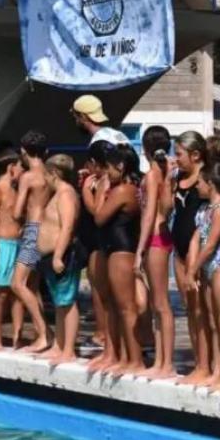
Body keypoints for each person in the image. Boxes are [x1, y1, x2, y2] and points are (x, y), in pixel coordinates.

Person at [85, 144, 143, 376]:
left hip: (122, 250)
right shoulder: (121, 188)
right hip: (113, 249)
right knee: (113, 306)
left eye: (108, 168)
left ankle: (134, 359)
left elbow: (99, 217)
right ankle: (117, 354)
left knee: (126, 307)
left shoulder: (123, 190)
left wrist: (98, 191)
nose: (106, 174)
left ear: (120, 166)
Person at [187, 162, 220, 393]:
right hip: (207, 268)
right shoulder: (205, 209)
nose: (196, 185)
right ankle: (218, 370)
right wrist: (195, 266)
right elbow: (197, 239)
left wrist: (192, 269)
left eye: (199, 182)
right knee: (214, 322)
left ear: (210, 184)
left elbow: (212, 244)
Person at [135, 127, 177, 379]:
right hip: (161, 237)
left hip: (155, 239)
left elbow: (149, 214)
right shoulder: (164, 172)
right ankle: (161, 360)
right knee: (158, 303)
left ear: (145, 148)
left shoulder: (153, 175)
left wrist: (139, 250)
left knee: (161, 304)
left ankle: (167, 362)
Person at [170, 132, 209, 385]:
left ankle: (208, 365)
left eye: (179, 154)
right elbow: (166, 208)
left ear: (195, 154)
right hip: (180, 251)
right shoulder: (178, 178)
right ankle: (199, 363)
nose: (176, 158)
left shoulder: (207, 179)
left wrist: (195, 261)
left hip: (200, 252)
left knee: (202, 310)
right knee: (190, 310)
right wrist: (166, 179)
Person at [37, 154, 84, 366]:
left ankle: (69, 350)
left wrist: (57, 255)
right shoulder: (59, 193)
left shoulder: (66, 194)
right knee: (59, 302)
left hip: (63, 254)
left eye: (46, 175)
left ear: (54, 173)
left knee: (67, 301)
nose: (44, 180)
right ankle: (59, 344)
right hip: (50, 255)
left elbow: (67, 226)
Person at [11, 130, 53, 353]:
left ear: (24, 152)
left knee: (17, 284)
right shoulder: (50, 174)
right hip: (46, 230)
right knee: (32, 287)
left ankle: (44, 334)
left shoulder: (27, 177)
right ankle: (45, 333)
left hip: (32, 232)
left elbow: (18, 212)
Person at [0, 148, 27, 350]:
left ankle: (18, 337)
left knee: (18, 293)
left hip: (18, 244)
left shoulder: (18, 190)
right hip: (3, 246)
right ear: (11, 168)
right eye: (20, 166)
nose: (22, 170)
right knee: (0, 293)